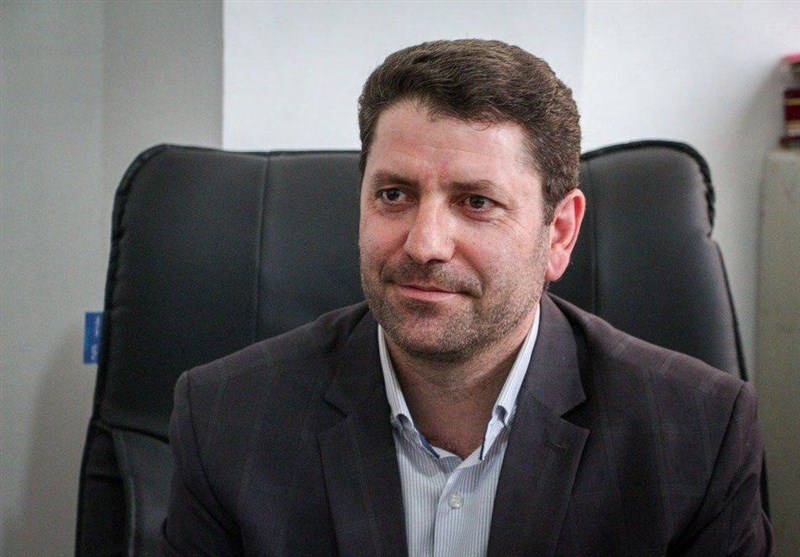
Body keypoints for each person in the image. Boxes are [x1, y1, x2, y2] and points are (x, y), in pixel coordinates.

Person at [161, 39, 773, 556]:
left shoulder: (696, 434)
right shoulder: (226, 419)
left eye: (477, 202)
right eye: (394, 195)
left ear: (559, 234)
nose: (425, 244)